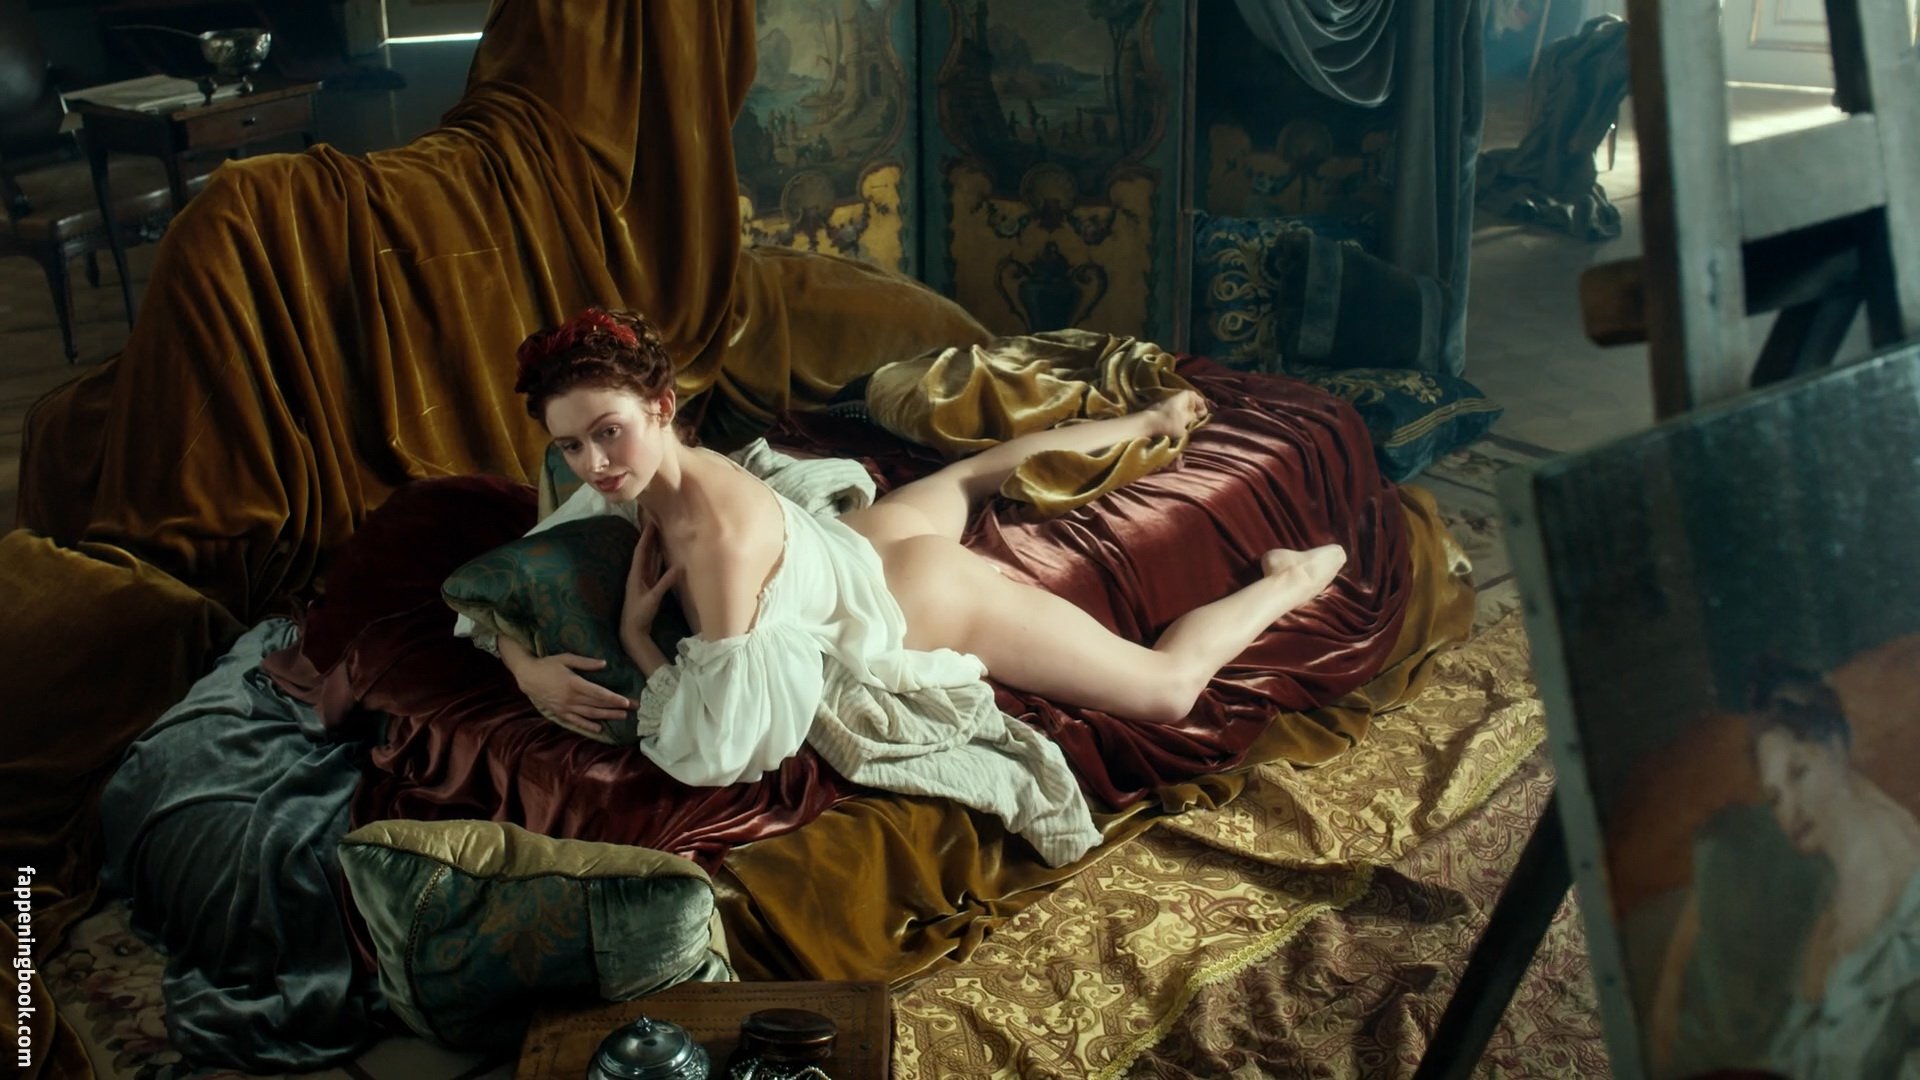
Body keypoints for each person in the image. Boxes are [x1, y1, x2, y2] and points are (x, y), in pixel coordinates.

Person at [455, 307, 1344, 861]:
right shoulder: (628, 477)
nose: (592, 464)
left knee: (1165, 689)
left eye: (608, 433)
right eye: (570, 445)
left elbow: (726, 746)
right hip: (846, 547)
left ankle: (1293, 577)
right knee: (975, 475)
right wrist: (523, 665)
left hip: (917, 597)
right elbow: (512, 570)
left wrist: (637, 639)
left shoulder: (719, 540)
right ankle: (1149, 418)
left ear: (662, 407)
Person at [1651, 657, 1920, 1078]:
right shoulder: (1830, 892)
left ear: (1836, 747)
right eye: (1775, 797)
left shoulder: (1897, 874)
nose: (1790, 811)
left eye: (1799, 772)